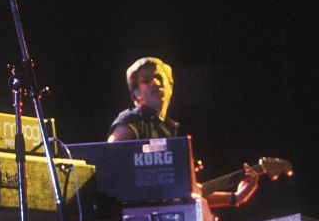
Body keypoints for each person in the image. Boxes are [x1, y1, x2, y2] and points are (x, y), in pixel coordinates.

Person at [108, 56, 259, 208]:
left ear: (170, 87)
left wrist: (236, 197)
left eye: (160, 77)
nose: (156, 82)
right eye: (146, 80)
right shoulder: (132, 119)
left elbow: (185, 192)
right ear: (136, 95)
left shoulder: (168, 130)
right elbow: (109, 157)